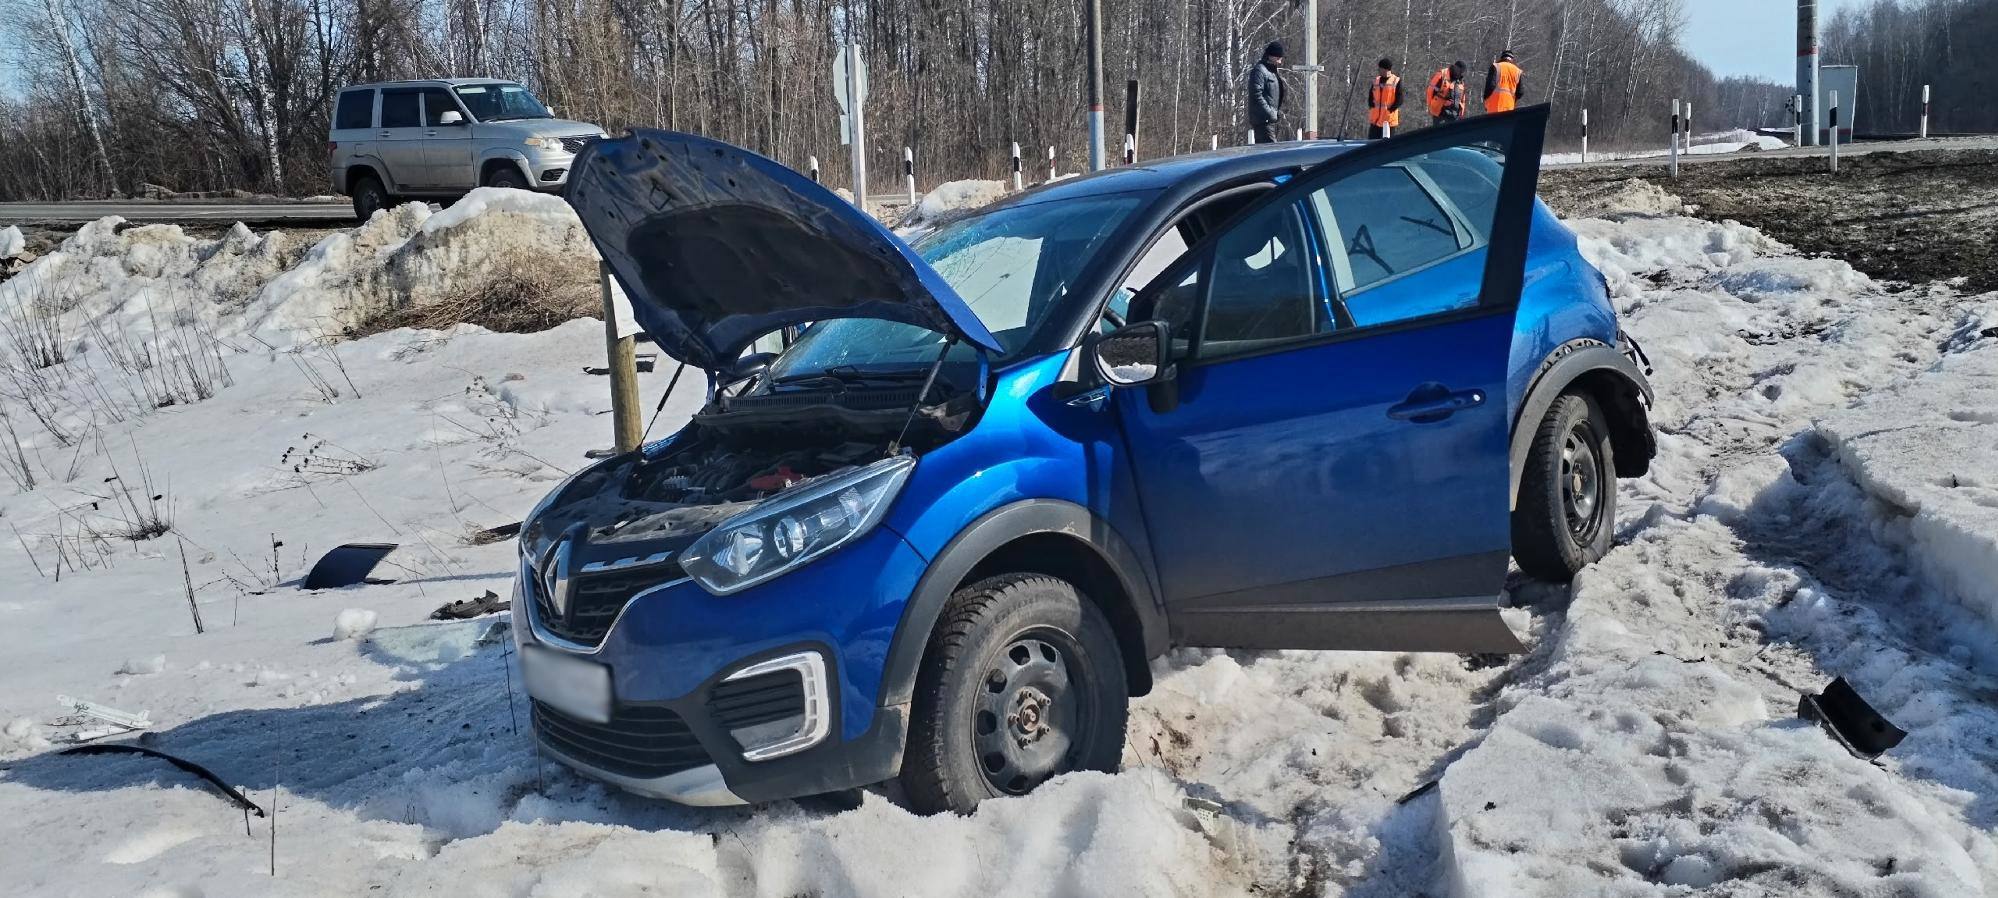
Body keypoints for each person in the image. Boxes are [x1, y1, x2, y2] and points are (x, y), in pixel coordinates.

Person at [1247, 42, 1285, 144]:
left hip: (1270, 120)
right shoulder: (1260, 71)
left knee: (1270, 152)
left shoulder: (1271, 71)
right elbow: (1256, 94)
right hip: (1263, 121)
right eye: (1278, 58)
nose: (1280, 62)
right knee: (1271, 154)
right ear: (1271, 56)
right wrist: (1270, 113)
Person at [1366, 58, 1402, 139]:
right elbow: (1371, 95)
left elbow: (1399, 99)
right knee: (1371, 144)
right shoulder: (1376, 80)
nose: (1378, 70)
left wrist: (1391, 109)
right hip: (1375, 119)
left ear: (1385, 69)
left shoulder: (1395, 81)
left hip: (1388, 121)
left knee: (1386, 146)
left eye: (1380, 68)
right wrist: (1371, 105)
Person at [1484, 49, 1524, 114]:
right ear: (1512, 59)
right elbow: (1520, 92)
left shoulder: (1496, 66)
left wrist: (1485, 99)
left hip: (1494, 106)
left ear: (1502, 57)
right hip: (1509, 107)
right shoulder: (1517, 71)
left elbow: (1490, 86)